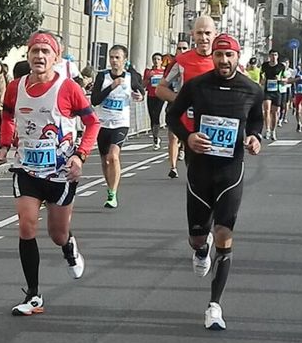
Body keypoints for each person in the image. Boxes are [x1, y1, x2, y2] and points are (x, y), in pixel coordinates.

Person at [0, 31, 100, 316]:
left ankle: (68, 246)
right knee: (27, 225)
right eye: (35, 51)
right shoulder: (15, 87)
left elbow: (92, 124)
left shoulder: (68, 88)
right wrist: (4, 145)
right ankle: (33, 294)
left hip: (60, 172)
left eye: (45, 52)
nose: (39, 56)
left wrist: (80, 155)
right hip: (27, 168)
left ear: (56, 57)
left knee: (56, 233)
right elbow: (7, 115)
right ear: (27, 55)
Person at [166, 34, 263, 330]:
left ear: (237, 57)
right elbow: (172, 115)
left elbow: (256, 121)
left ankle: (214, 306)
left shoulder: (252, 90)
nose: (224, 61)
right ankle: (199, 248)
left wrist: (255, 138)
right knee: (198, 236)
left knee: (224, 233)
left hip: (231, 172)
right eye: (219, 55)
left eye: (229, 55)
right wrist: (188, 137)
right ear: (214, 57)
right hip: (200, 171)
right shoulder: (197, 86)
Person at [157, 21, 217, 178]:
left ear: (214, 34)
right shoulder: (181, 61)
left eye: (207, 33)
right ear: (193, 35)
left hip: (217, 127)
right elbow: (160, 89)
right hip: (191, 129)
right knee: (197, 177)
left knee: (217, 179)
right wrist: (181, 100)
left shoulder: (223, 59)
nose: (203, 38)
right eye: (199, 33)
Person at [91, 44, 145, 208]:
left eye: (117, 57)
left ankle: (113, 194)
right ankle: (109, 189)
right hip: (102, 123)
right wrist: (111, 86)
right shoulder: (103, 76)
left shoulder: (131, 77)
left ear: (124, 60)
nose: (114, 61)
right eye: (111, 57)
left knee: (113, 156)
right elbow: (95, 100)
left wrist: (139, 96)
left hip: (121, 123)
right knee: (104, 161)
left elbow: (140, 91)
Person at [259, 49, 285, 141]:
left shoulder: (281, 66)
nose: (274, 57)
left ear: (277, 56)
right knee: (266, 110)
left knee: (275, 113)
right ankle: (267, 130)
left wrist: (280, 79)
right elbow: (261, 76)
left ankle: (273, 131)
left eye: (275, 55)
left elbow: (285, 79)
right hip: (267, 91)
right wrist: (262, 80)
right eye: (272, 55)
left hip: (277, 91)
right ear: (269, 56)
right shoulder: (265, 65)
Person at [143, 52, 165, 150]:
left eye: (158, 59)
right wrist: (148, 77)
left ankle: (156, 139)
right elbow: (143, 85)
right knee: (152, 117)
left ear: (161, 61)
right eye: (155, 59)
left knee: (156, 115)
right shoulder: (148, 71)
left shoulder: (164, 72)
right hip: (151, 96)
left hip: (160, 96)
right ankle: (155, 137)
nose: (156, 61)